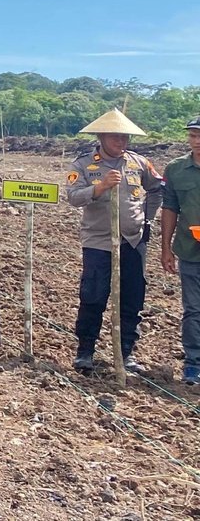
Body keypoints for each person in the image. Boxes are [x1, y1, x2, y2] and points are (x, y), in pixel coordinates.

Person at [66, 108, 163, 374]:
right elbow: (73, 196)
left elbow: (157, 189)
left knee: (132, 298)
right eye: (115, 138)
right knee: (93, 296)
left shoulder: (139, 163)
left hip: (133, 240)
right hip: (98, 242)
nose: (121, 143)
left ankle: (126, 353)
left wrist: (147, 220)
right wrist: (99, 188)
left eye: (125, 138)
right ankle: (85, 352)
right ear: (101, 137)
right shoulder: (84, 164)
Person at [159, 116, 200, 386]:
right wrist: (166, 249)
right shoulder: (176, 169)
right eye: (193, 136)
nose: (196, 141)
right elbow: (170, 208)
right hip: (190, 250)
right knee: (194, 310)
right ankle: (194, 365)